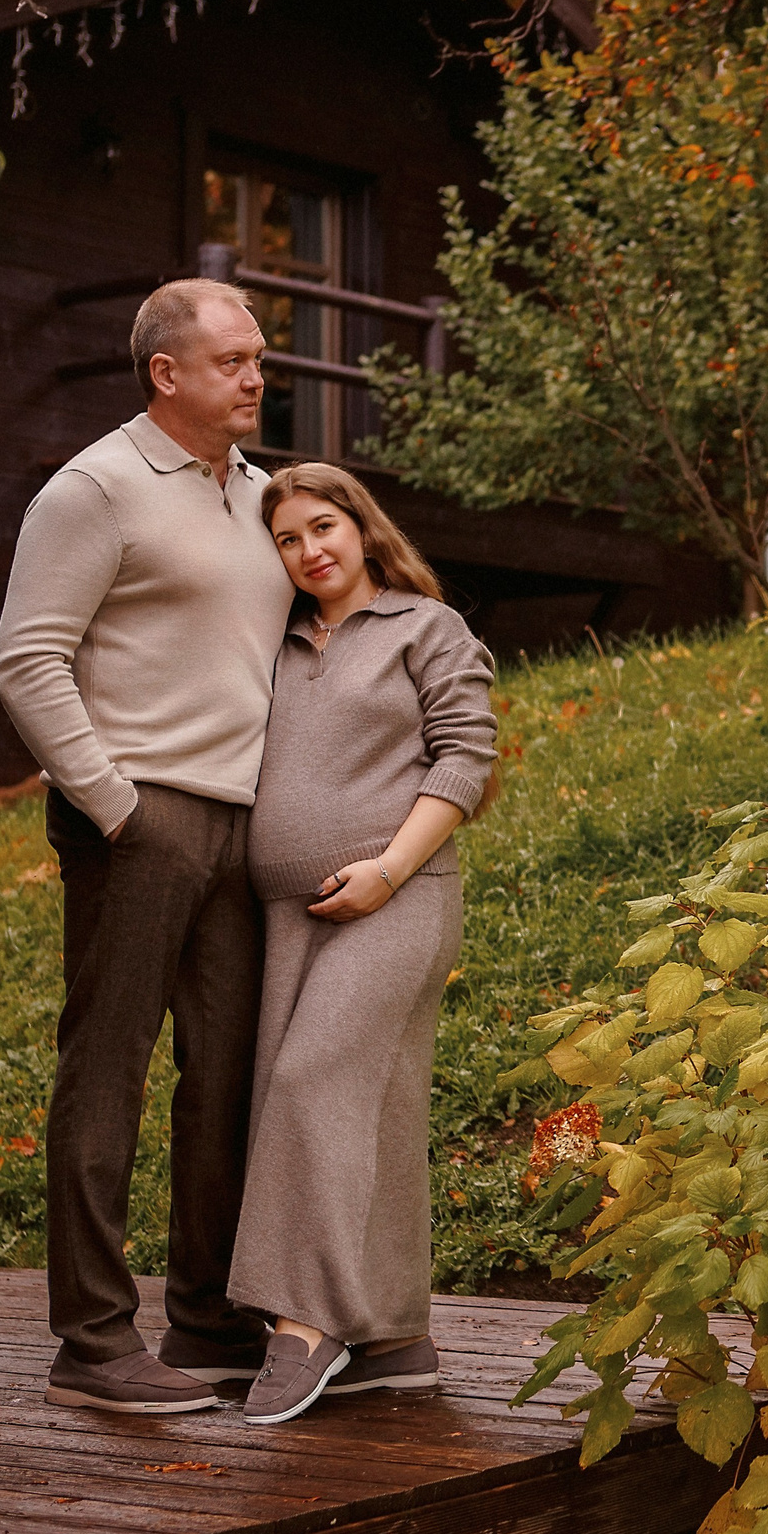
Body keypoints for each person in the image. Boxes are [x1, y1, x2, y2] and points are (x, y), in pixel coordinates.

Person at [0, 278, 293, 1412]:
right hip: (138, 820)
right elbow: (25, 660)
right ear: (166, 373)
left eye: (258, 358)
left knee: (224, 1078)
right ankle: (93, 1339)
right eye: (232, 361)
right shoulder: (95, 487)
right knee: (108, 1069)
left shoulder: (262, 495)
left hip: (242, 825)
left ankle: (207, 1320)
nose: (256, 377)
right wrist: (116, 806)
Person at [228, 463, 495, 1424]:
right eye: (287, 539)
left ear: (362, 526)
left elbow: (466, 756)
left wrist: (387, 867)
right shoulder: (276, 642)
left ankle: (304, 1323)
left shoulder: (426, 627)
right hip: (287, 914)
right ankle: (392, 1338)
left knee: (312, 1083)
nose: (309, 550)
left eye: (323, 526)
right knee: (364, 1107)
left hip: (398, 895)